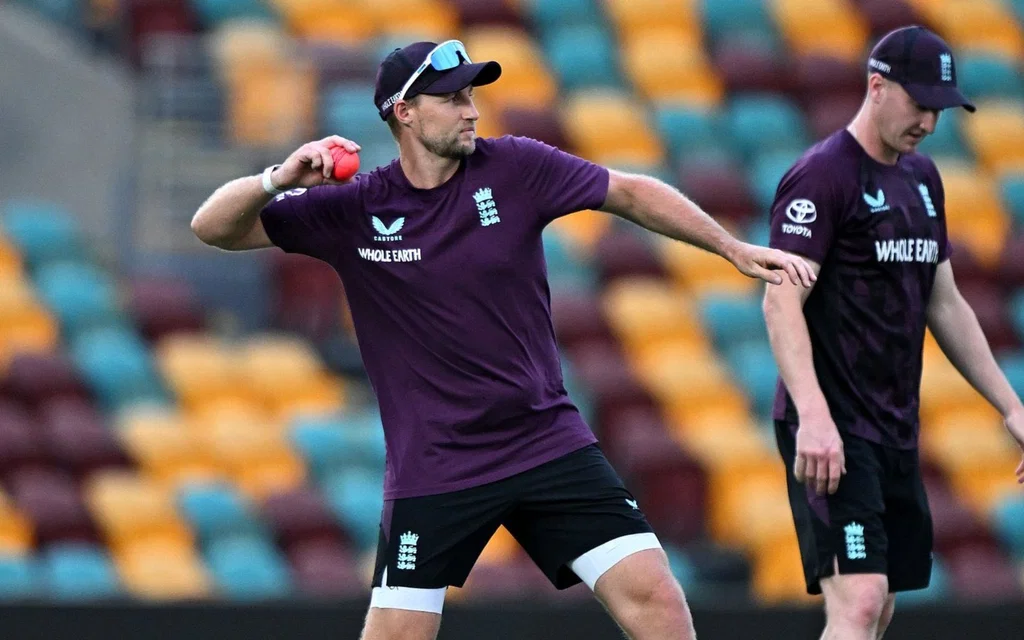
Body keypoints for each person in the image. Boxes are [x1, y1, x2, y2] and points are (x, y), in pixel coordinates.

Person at [192, 39, 814, 640]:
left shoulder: (515, 166)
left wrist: (730, 247)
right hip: (436, 464)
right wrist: (279, 177)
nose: (471, 110)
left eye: (471, 95)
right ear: (404, 113)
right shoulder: (353, 207)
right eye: (452, 98)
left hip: (544, 438)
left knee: (655, 594)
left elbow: (627, 190)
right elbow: (213, 228)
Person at [763, 25, 1024, 640]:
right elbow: (781, 303)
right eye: (919, 104)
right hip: (830, 426)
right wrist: (815, 416)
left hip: (894, 426)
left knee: (879, 608)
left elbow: (947, 302)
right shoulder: (821, 177)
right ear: (876, 87)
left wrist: (1010, 406)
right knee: (859, 600)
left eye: (939, 109)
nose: (929, 123)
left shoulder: (922, 180)